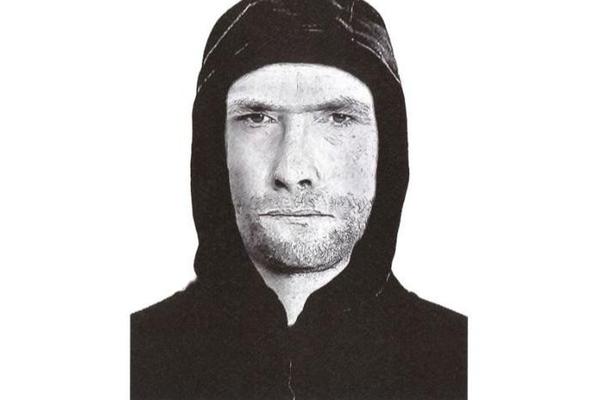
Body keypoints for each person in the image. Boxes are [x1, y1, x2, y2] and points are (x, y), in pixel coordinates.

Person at [131, 0, 467, 399]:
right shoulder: (132, 360)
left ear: (387, 147)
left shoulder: (461, 363)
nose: (292, 171)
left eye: (338, 118)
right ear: (213, 148)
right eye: (257, 118)